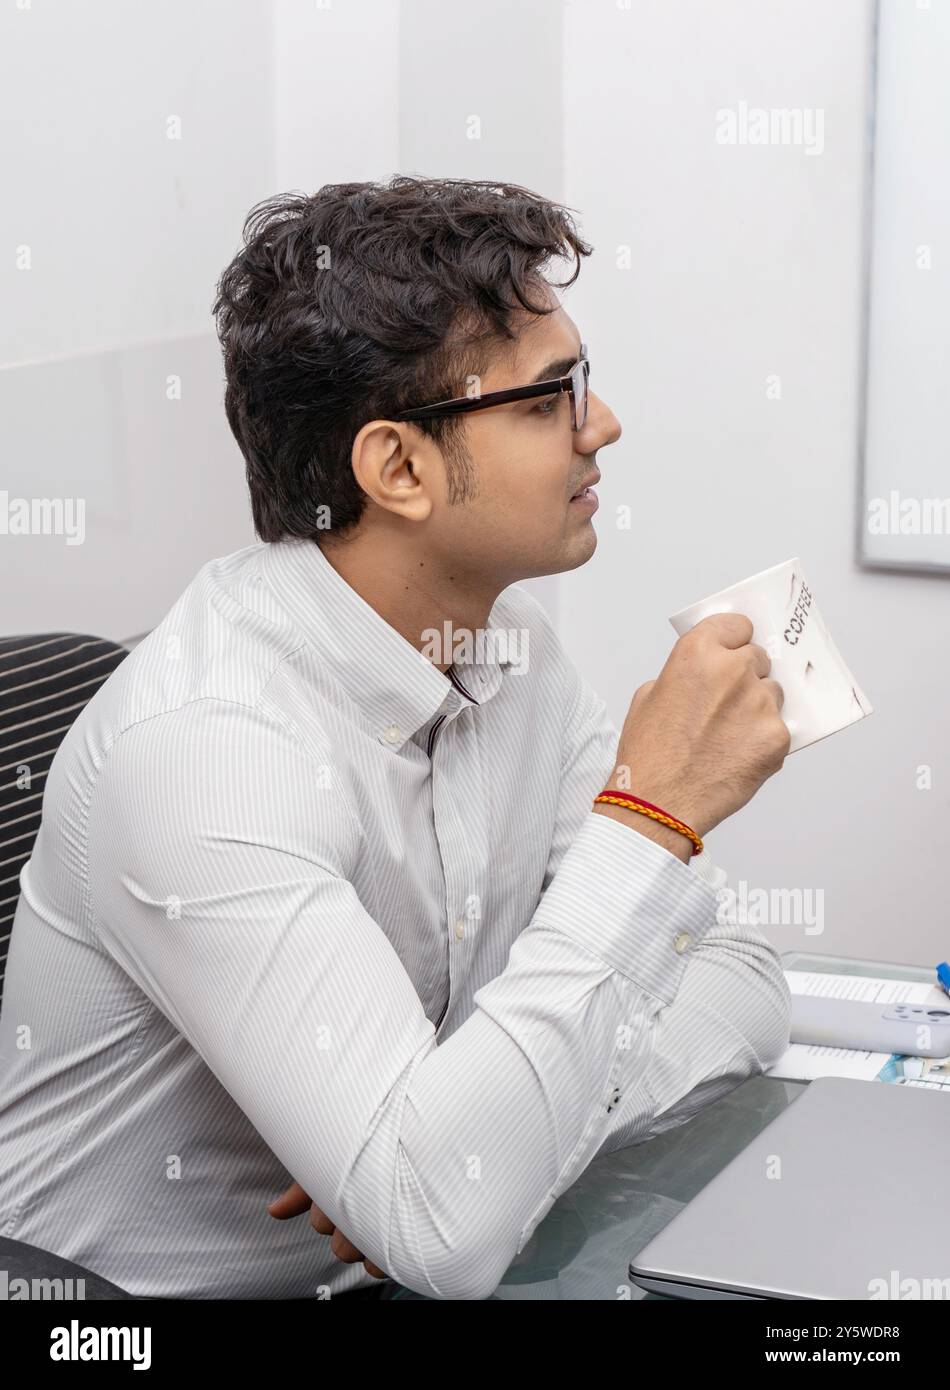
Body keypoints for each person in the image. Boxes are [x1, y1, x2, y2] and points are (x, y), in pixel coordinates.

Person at [0, 176, 791, 1301]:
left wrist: (485, 1154)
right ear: (398, 468)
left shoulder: (506, 656)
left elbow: (743, 982)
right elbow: (445, 1223)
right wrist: (650, 816)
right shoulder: (206, 754)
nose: (598, 425)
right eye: (545, 399)